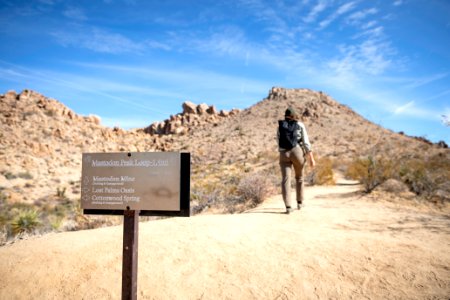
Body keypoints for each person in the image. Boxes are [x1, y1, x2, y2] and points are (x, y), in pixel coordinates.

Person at [277, 107, 315, 214]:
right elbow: (306, 142)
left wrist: (283, 152)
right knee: (299, 177)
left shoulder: (280, 126)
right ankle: (299, 202)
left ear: (285, 115)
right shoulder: (300, 124)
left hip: (284, 153)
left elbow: (278, 141)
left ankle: (288, 207)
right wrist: (311, 157)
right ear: (294, 115)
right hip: (297, 152)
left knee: (285, 179)